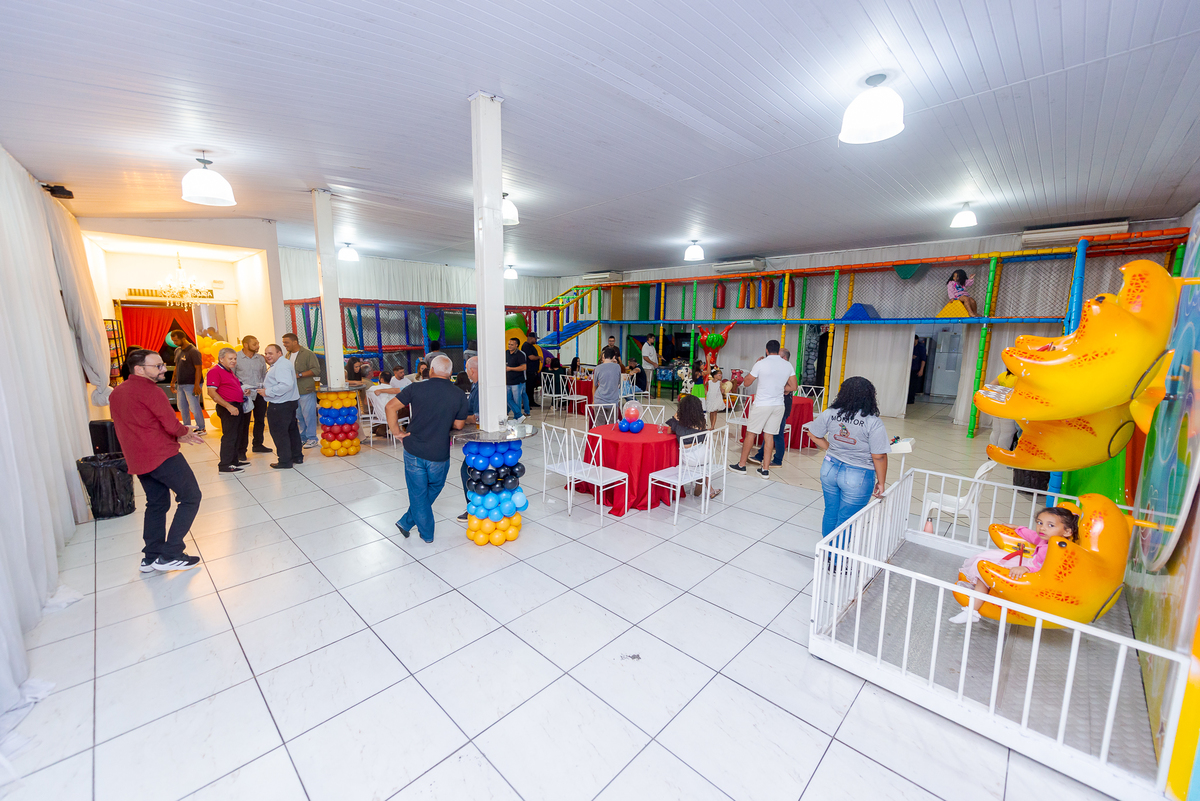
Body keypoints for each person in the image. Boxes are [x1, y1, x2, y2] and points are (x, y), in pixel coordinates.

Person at [109, 349, 205, 572]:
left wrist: (178, 433)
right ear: (139, 369)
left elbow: (137, 424)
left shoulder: (117, 392)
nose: (163, 369)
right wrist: (185, 431)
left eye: (162, 365)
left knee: (157, 503)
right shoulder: (152, 391)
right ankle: (171, 553)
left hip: (138, 458)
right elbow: (171, 425)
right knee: (191, 497)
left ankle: (151, 557)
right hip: (161, 455)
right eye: (157, 366)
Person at [949, 506, 1078, 624]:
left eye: (1050, 525)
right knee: (984, 561)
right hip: (1029, 565)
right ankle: (979, 594)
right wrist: (1017, 528)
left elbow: (1049, 570)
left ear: (1067, 532)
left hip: (1034, 574)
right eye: (1040, 523)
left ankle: (972, 611)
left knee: (987, 569)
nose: (1042, 528)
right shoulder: (1048, 539)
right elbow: (1033, 536)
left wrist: (1026, 568)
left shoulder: (1058, 549)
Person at [803, 376, 890, 542]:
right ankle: (836, 556)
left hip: (829, 469)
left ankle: (826, 552)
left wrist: (831, 449)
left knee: (831, 511)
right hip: (858, 475)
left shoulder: (830, 413)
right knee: (847, 520)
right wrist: (881, 481)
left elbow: (813, 434)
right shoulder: (873, 422)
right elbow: (879, 456)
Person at [394, 355, 469, 543]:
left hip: (413, 449)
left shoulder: (415, 387)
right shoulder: (458, 394)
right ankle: (426, 533)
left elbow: (390, 407)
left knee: (418, 493)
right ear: (450, 373)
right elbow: (459, 425)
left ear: (432, 370)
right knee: (434, 487)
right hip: (439, 452)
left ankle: (407, 522)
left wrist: (396, 432)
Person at [731, 340, 797, 478]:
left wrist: (755, 366)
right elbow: (794, 386)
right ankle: (765, 470)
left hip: (762, 404)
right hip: (778, 405)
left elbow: (747, 382)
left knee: (751, 434)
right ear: (778, 350)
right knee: (769, 436)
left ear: (767, 350)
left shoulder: (761, 363)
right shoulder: (787, 365)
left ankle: (741, 465)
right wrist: (779, 387)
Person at [666, 395, 721, 500]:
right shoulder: (701, 420)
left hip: (688, 458)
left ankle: (701, 481)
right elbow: (702, 439)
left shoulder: (679, 417)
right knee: (702, 462)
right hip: (704, 455)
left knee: (694, 459)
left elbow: (669, 431)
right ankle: (709, 488)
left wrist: (679, 427)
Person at [207, 347, 251, 473]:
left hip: (237, 406)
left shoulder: (229, 371)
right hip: (228, 407)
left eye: (235, 358)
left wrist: (243, 391)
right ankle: (225, 464)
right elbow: (212, 392)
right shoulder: (215, 371)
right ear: (221, 359)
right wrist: (228, 406)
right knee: (230, 436)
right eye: (230, 358)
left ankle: (234, 461)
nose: (233, 361)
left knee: (237, 435)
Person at [260, 344, 303, 469]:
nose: (268, 356)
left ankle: (285, 461)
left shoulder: (281, 365)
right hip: (288, 403)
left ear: (279, 353)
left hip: (280, 404)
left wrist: (267, 392)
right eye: (266, 353)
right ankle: (296, 456)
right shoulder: (281, 364)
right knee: (291, 431)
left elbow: (285, 385)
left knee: (280, 433)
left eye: (271, 353)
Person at [750, 348, 794, 468]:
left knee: (777, 434)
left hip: (781, 405)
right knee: (769, 432)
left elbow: (791, 388)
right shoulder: (780, 368)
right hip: (775, 404)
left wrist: (776, 387)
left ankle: (778, 460)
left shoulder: (786, 369)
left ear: (784, 358)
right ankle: (760, 456)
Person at [282, 333, 322, 448]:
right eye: (284, 343)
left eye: (286, 342)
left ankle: (312, 438)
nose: (285, 345)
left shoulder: (308, 354)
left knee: (308, 415)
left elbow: (316, 370)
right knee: (299, 416)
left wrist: (299, 375)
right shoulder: (287, 355)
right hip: (293, 391)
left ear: (295, 342)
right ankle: (303, 438)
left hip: (306, 389)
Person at [235, 335, 271, 457]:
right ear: (245, 345)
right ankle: (241, 451)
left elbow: (264, 375)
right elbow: (232, 377)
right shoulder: (236, 358)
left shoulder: (260, 358)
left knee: (260, 420)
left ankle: (258, 444)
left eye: (258, 343)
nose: (258, 346)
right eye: (254, 344)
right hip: (244, 395)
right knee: (244, 424)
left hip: (259, 394)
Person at [169, 330, 205, 434]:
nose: (174, 343)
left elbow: (198, 368)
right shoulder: (177, 351)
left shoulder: (193, 351)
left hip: (192, 384)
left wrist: (197, 385)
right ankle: (187, 427)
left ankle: (201, 428)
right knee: (182, 407)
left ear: (183, 339)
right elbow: (177, 367)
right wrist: (173, 382)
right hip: (181, 384)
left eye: (176, 340)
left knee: (194, 407)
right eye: (173, 341)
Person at [591, 346, 622, 426]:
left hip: (599, 400)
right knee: (612, 426)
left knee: (599, 425)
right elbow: (619, 383)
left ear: (603, 356)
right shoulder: (617, 367)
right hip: (613, 401)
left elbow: (594, 385)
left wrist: (594, 400)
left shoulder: (597, 368)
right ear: (614, 357)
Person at [505, 337, 528, 422]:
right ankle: (519, 415)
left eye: (512, 345)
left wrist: (510, 368)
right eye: (509, 344)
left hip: (517, 382)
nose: (509, 346)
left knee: (516, 401)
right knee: (507, 399)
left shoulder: (520, 354)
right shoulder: (506, 353)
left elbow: (524, 367)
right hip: (507, 381)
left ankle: (517, 417)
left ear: (516, 345)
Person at [522, 334, 542, 410]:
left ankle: (531, 401)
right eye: (535, 339)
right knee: (528, 388)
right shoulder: (526, 346)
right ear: (531, 338)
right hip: (529, 371)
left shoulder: (531, 346)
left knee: (531, 388)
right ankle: (526, 404)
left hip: (533, 370)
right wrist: (539, 357)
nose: (536, 340)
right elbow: (531, 357)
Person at [908, 335, 927, 405]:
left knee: (913, 385)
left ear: (917, 340)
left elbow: (923, 360)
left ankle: (911, 399)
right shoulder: (909, 346)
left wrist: (921, 370)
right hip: (908, 369)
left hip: (915, 368)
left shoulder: (921, 347)